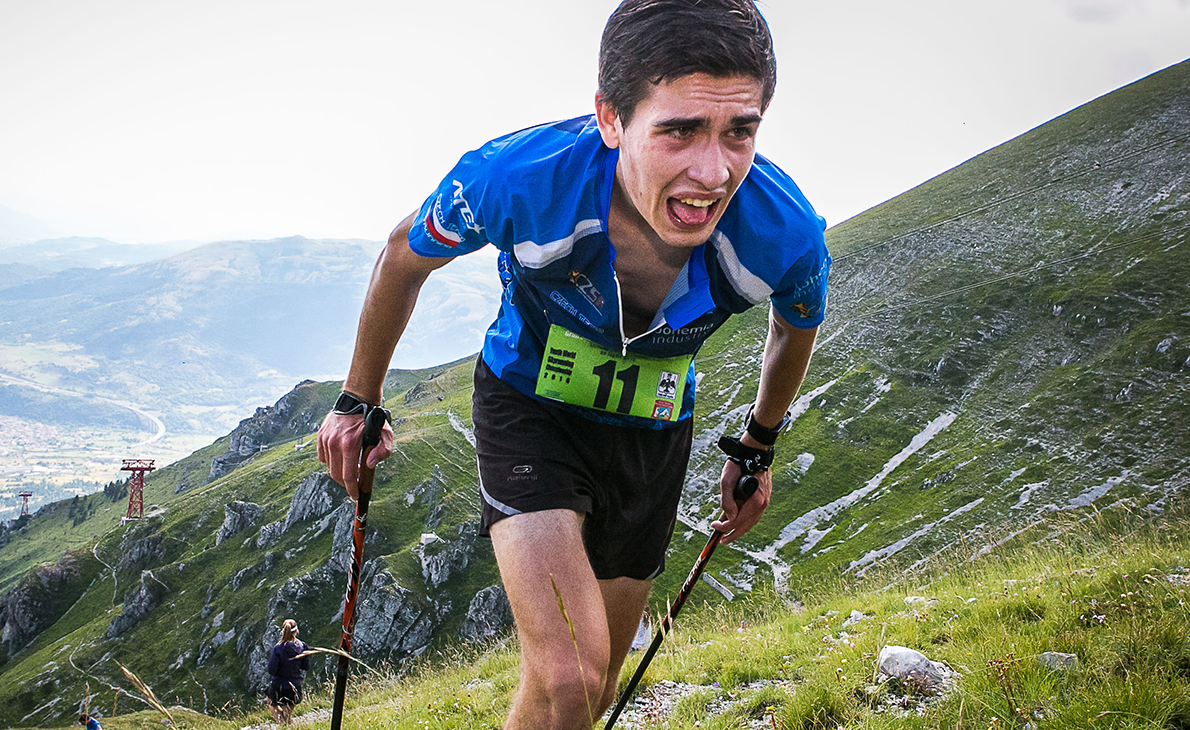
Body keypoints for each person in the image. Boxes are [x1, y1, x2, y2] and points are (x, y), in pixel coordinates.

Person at [316, 1, 828, 727]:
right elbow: (404, 255)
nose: (713, 171)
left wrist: (758, 443)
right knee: (570, 676)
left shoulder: (787, 232)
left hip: (651, 429)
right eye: (679, 129)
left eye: (740, 131)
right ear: (611, 119)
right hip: (530, 405)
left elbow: (794, 327)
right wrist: (357, 401)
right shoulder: (517, 177)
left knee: (594, 686)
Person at [265, 619, 309, 725]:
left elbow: (272, 670)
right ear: (296, 631)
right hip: (295, 685)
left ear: (283, 631)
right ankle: (285, 722)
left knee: (270, 702)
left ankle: (281, 721)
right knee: (288, 712)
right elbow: (305, 666)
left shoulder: (278, 649)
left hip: (279, 686)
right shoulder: (302, 646)